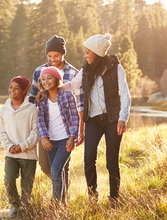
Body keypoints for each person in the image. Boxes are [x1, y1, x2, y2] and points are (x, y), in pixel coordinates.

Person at [45, 33, 131, 207]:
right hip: (93, 120)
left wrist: (123, 118)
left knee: (111, 161)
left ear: (97, 53)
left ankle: (114, 197)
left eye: (87, 53)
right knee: (89, 157)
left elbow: (126, 95)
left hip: (113, 119)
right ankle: (93, 193)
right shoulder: (86, 68)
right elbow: (72, 85)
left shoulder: (116, 68)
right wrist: (54, 86)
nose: (85, 56)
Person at [29, 35, 84, 192]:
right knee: (46, 166)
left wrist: (79, 132)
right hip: (46, 129)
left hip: (66, 130)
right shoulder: (39, 71)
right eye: (49, 56)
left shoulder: (73, 74)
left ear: (63, 54)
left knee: (61, 166)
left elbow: (80, 104)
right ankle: (62, 188)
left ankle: (60, 201)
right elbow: (33, 100)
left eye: (56, 55)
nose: (52, 59)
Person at [36, 67, 79, 203]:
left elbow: (75, 119)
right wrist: (43, 137)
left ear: (57, 79)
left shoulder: (67, 96)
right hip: (51, 141)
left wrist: (72, 138)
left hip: (65, 140)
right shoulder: (42, 99)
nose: (46, 81)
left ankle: (55, 202)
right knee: (57, 172)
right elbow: (40, 120)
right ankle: (63, 202)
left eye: (49, 78)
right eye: (43, 79)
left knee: (56, 169)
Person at [0, 76, 39, 218]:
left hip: (28, 154)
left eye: (16, 88)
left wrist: (22, 146)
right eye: (11, 87)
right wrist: (9, 147)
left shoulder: (32, 109)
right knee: (9, 179)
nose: (12, 90)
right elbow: (1, 131)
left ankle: (26, 209)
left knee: (27, 185)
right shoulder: (4, 109)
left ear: (24, 91)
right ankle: (14, 205)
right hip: (11, 154)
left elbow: (35, 132)